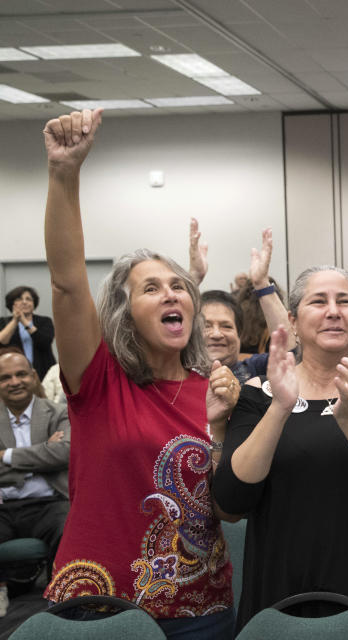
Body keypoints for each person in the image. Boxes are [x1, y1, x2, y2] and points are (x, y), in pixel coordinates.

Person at [41, 109, 239, 637]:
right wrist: (65, 173)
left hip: (201, 608)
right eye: (151, 288)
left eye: (179, 286)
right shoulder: (98, 380)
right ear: (123, 311)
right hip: (99, 606)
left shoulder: (215, 390)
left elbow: (231, 509)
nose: (171, 293)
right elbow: (65, 282)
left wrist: (222, 429)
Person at [213, 266, 348, 639]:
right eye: (318, 301)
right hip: (282, 585)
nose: (333, 311)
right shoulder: (260, 393)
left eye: (345, 301)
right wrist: (280, 406)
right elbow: (232, 497)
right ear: (293, 321)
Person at [0, 350, 70, 617]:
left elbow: (65, 452)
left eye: (20, 374)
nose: (14, 381)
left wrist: (6, 456)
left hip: (49, 503)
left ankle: (62, 598)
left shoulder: (57, 412)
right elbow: (52, 456)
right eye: (5, 377)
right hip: (4, 505)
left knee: (68, 525)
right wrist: (42, 455)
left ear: (34, 376)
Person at [195, 225, 294, 383]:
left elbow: (291, 352)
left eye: (226, 326)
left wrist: (262, 285)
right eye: (206, 326)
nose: (216, 334)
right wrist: (192, 279)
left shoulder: (255, 369)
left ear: (239, 335)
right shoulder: (176, 374)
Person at [0, 287, 57, 380]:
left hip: (43, 372)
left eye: (28, 299)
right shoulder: (3, 322)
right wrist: (15, 320)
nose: (24, 302)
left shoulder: (44, 321)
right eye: (19, 299)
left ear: (33, 303)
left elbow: (45, 342)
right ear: (12, 304)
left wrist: (24, 322)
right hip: (14, 374)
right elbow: (2, 341)